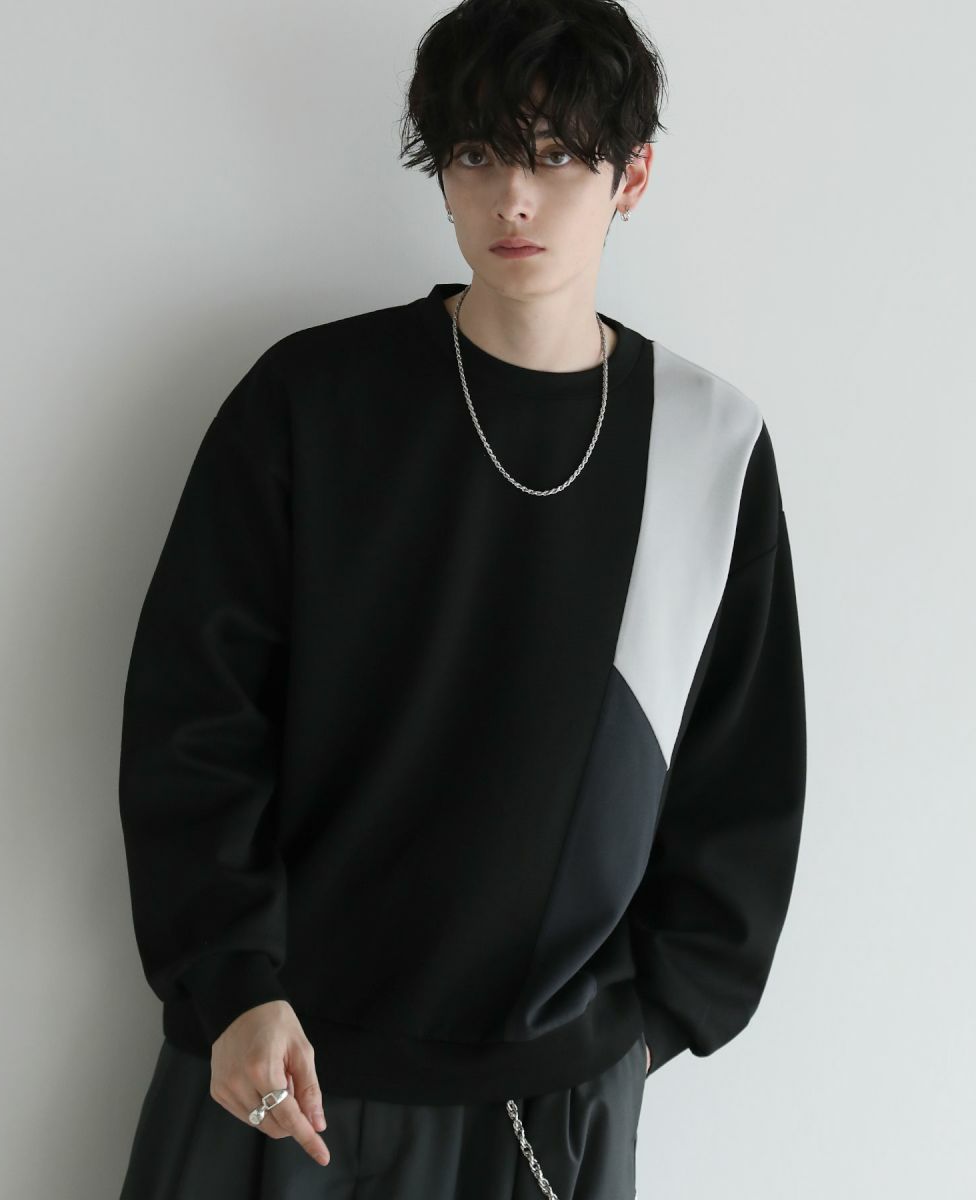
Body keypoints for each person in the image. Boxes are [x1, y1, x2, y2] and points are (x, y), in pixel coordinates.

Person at [117, 1, 807, 1197]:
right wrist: (230, 981)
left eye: (558, 156)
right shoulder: (313, 401)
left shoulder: (707, 445)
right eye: (478, 155)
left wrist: (640, 1033)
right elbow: (194, 714)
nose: (514, 200)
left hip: (548, 1100)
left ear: (632, 174)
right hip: (283, 1069)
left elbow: (743, 771)